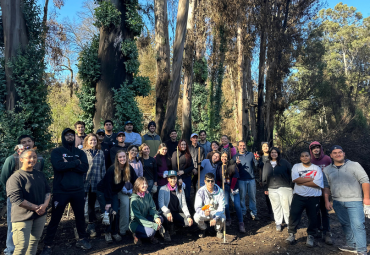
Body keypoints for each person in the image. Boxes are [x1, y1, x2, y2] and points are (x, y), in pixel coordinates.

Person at [40, 128, 91, 255]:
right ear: (63, 136)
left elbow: (84, 167)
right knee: (55, 219)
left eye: (71, 135)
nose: (69, 137)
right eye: (67, 135)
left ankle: (82, 239)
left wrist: (68, 164)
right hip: (61, 191)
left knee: (80, 217)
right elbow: (58, 166)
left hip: (78, 190)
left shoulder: (80, 152)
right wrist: (75, 163)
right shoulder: (57, 152)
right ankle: (48, 244)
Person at [1, 135, 44, 255]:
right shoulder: (12, 159)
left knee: (33, 224)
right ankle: (11, 250)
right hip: (17, 199)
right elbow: (4, 178)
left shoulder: (39, 159)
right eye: (23, 142)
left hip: (34, 198)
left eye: (29, 141)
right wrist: (14, 191)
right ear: (20, 145)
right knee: (14, 225)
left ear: (33, 142)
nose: (27, 144)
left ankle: (28, 249)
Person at [323, 145, 370, 255]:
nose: (338, 154)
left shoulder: (354, 165)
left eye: (340, 152)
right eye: (335, 153)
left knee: (358, 225)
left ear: (344, 153)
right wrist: (327, 201)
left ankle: (362, 250)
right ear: (331, 156)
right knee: (345, 224)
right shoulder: (327, 169)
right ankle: (351, 245)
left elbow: (365, 181)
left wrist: (367, 199)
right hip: (338, 202)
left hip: (354, 200)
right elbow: (326, 187)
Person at [6, 149, 51, 255]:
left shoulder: (40, 175)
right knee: (21, 246)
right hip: (22, 217)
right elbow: (16, 199)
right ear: (21, 159)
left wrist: (44, 206)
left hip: (39, 215)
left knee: (33, 243)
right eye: (29, 157)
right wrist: (36, 208)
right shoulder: (15, 177)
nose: (32, 159)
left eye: (34, 157)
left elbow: (48, 191)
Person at [96, 150, 137, 242]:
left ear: (126, 157)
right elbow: (108, 186)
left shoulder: (128, 167)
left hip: (114, 192)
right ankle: (107, 232)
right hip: (103, 192)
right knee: (108, 212)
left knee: (115, 212)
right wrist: (108, 202)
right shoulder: (112, 169)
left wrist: (141, 190)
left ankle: (114, 232)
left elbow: (135, 180)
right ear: (117, 159)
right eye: (120, 157)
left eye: (124, 157)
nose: (122, 159)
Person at [285, 151, 323, 247]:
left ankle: (310, 235)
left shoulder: (316, 168)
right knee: (294, 215)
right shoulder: (296, 167)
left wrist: (301, 181)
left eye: (307, 156)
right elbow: (295, 180)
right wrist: (310, 178)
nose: (305, 157)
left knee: (313, 217)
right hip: (299, 196)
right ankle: (291, 234)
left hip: (313, 197)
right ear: (300, 158)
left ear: (310, 157)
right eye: (302, 156)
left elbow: (317, 184)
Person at [262, 147, 293, 232]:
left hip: (285, 187)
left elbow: (292, 173)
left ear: (278, 153)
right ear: (270, 154)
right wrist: (265, 187)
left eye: (275, 152)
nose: (274, 154)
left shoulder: (284, 162)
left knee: (286, 206)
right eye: (272, 152)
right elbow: (264, 176)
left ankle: (289, 223)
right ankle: (278, 223)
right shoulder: (267, 163)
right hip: (271, 188)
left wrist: (291, 185)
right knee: (275, 206)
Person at [82, 133, 107, 238]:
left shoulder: (100, 152)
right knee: (81, 204)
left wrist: (103, 182)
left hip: (96, 181)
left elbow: (103, 168)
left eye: (95, 140)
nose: (93, 142)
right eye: (91, 140)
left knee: (91, 204)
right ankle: (80, 225)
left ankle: (91, 224)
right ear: (87, 141)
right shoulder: (82, 152)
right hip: (84, 182)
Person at [158, 171, 193, 241]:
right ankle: (166, 231)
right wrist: (167, 211)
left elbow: (184, 205)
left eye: (174, 178)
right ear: (168, 179)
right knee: (165, 217)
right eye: (171, 178)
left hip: (176, 213)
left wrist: (188, 216)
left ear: (176, 179)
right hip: (166, 213)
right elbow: (161, 204)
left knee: (188, 222)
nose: (173, 180)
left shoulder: (180, 189)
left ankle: (174, 226)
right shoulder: (162, 189)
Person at [129, 177, 166, 244]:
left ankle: (149, 235)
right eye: (143, 184)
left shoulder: (147, 194)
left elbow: (152, 208)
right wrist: (153, 225)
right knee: (151, 231)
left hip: (146, 218)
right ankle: (137, 235)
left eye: (146, 183)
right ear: (137, 185)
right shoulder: (134, 200)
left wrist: (156, 217)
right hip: (136, 222)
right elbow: (139, 218)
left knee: (160, 218)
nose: (145, 185)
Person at [309, 141, 333, 244]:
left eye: (317, 147)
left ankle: (327, 232)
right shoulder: (309, 160)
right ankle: (318, 229)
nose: (316, 149)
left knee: (325, 211)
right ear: (311, 150)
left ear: (320, 148)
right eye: (313, 148)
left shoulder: (327, 159)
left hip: (325, 189)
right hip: (314, 189)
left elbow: (332, 172)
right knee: (315, 211)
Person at [216, 152, 245, 232]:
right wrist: (219, 188)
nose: (224, 158)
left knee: (237, 205)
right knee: (226, 205)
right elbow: (218, 179)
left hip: (233, 187)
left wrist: (232, 187)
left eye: (225, 156)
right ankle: (228, 218)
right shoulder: (219, 166)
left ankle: (241, 222)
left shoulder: (232, 165)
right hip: (224, 187)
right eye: (222, 156)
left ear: (228, 157)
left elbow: (235, 177)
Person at [232, 140, 259, 220]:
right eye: (240, 145)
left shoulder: (250, 154)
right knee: (242, 197)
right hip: (241, 179)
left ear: (245, 146)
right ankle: (243, 211)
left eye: (243, 145)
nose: (242, 147)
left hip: (251, 179)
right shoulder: (235, 156)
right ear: (238, 147)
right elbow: (232, 169)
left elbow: (256, 165)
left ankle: (253, 212)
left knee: (252, 196)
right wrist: (236, 164)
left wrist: (257, 159)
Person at [194, 173, 225, 239]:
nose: (210, 183)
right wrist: (204, 212)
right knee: (196, 217)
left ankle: (218, 230)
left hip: (215, 212)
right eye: (208, 181)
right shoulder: (200, 191)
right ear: (205, 181)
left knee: (223, 218)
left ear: (214, 181)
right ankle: (203, 229)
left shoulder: (220, 192)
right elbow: (197, 207)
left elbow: (222, 207)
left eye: (212, 181)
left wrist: (215, 218)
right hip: (205, 212)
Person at [171, 140, 194, 211]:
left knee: (187, 194)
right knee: (179, 194)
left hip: (187, 177)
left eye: (184, 144)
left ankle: (188, 210)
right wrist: (179, 178)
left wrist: (183, 171)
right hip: (178, 178)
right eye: (182, 144)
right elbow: (174, 167)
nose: (183, 146)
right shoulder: (175, 153)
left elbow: (191, 166)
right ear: (179, 145)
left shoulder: (188, 154)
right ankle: (179, 210)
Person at [258, 142, 273, 219]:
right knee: (267, 196)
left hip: (274, 178)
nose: (265, 147)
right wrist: (260, 180)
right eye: (264, 146)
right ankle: (270, 211)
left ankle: (275, 210)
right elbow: (260, 169)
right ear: (262, 148)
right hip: (265, 179)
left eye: (267, 146)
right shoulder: (260, 158)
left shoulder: (272, 156)